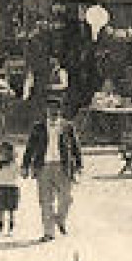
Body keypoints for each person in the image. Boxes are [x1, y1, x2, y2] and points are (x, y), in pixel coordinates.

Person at [21, 94, 83, 242]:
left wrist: (79, 165)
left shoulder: (68, 126)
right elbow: (30, 147)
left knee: (66, 198)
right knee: (45, 201)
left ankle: (60, 219)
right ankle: (48, 232)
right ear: (46, 111)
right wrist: (25, 165)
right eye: (50, 110)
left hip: (63, 166)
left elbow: (75, 147)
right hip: (43, 167)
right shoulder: (38, 127)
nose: (53, 113)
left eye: (56, 110)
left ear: (60, 111)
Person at [0, 140, 21, 237]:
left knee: (11, 210)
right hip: (1, 188)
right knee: (0, 210)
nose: (1, 154)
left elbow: (19, 173)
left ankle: (11, 229)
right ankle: (0, 229)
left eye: (3, 152)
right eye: (0, 152)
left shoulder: (14, 164)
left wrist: (15, 159)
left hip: (12, 187)